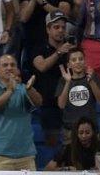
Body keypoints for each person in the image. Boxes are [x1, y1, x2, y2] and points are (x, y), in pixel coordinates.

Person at [0, 54, 42, 170]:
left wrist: (30, 90)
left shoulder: (24, 89)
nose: (9, 68)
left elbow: (38, 102)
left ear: (17, 70)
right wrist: (10, 90)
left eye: (12, 65)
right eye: (5, 65)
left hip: (26, 157)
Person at [31, 10, 76, 146]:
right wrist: (59, 52)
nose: (61, 30)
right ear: (48, 29)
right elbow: (42, 66)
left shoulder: (72, 51)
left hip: (70, 104)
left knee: (73, 144)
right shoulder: (38, 48)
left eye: (63, 27)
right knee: (52, 145)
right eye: (56, 27)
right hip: (48, 104)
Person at [55, 47, 100, 137]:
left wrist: (91, 81)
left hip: (91, 128)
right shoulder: (63, 80)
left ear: (85, 62)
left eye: (81, 59)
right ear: (69, 65)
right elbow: (61, 105)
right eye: (74, 60)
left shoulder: (94, 77)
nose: (78, 62)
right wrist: (67, 83)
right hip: (70, 129)